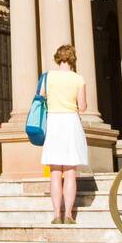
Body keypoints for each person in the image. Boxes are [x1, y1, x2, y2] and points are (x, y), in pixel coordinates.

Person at [42, 44, 88, 225]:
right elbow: (83, 107)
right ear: (72, 59)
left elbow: (41, 96)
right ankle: (68, 214)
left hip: (54, 122)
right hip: (70, 123)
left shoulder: (48, 77)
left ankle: (56, 214)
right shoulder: (78, 79)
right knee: (70, 172)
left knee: (55, 172)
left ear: (57, 58)